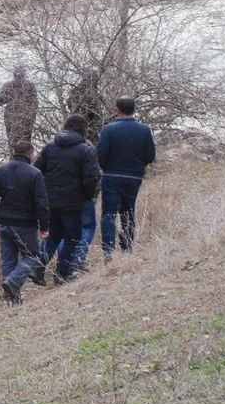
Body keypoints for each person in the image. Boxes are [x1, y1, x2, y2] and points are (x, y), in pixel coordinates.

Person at [34, 115, 101, 282]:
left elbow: (35, 171)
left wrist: (42, 193)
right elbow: (92, 178)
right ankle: (63, 273)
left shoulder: (49, 148)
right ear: (83, 130)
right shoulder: (86, 150)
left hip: (50, 200)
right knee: (72, 237)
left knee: (54, 234)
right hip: (73, 202)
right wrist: (87, 196)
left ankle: (38, 267)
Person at [0, 140, 50, 305]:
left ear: (14, 153)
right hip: (26, 224)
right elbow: (41, 203)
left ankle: (11, 299)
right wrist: (44, 226)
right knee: (33, 255)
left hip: (4, 222)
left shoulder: (0, 171)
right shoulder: (35, 174)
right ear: (31, 155)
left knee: (8, 259)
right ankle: (14, 282)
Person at [97, 97, 157, 257]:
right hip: (134, 177)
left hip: (111, 176)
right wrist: (137, 165)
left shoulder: (108, 130)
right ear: (134, 109)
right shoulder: (144, 130)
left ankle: (109, 250)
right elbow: (150, 156)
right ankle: (128, 248)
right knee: (128, 212)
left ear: (117, 110)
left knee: (109, 213)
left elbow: (100, 155)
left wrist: (106, 166)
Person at [67, 68, 107, 272]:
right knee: (88, 225)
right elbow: (98, 119)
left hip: (66, 193)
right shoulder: (92, 95)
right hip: (88, 140)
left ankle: (65, 261)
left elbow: (69, 105)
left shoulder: (75, 92)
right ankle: (78, 258)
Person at [0, 67, 38, 145]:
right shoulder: (30, 85)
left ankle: (13, 156)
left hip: (11, 117)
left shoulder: (8, 85)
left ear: (14, 75)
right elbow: (35, 104)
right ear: (24, 75)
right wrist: (31, 117)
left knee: (12, 141)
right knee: (26, 141)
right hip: (27, 118)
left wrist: (9, 97)